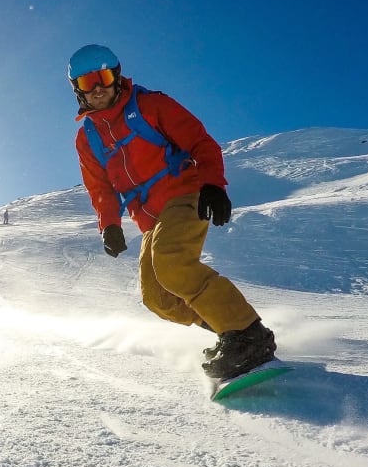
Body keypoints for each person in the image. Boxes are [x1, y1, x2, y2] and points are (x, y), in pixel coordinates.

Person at [68, 44, 276, 380]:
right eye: (88, 82)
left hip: (185, 192)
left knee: (172, 263)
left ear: (116, 76)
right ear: (77, 90)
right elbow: (100, 189)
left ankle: (248, 334)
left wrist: (212, 184)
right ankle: (229, 332)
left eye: (103, 77)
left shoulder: (150, 105)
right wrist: (109, 224)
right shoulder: (87, 138)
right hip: (150, 219)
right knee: (158, 298)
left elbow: (200, 141)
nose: (98, 88)